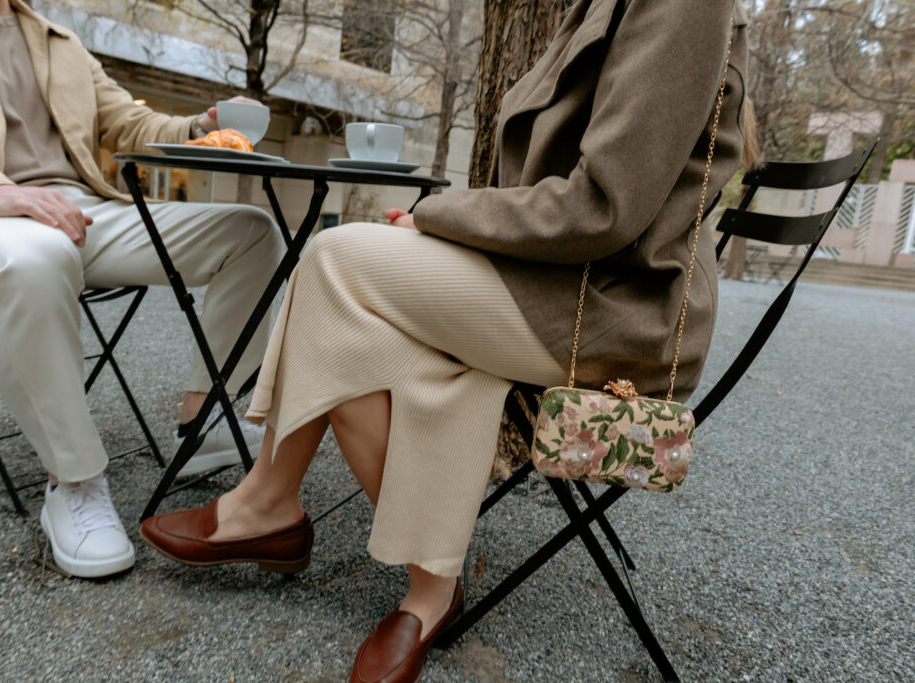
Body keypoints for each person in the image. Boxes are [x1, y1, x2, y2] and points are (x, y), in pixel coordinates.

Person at [141, 0, 751, 679]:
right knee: (351, 335)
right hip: (557, 278)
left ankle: (270, 503)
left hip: (614, 307)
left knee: (334, 262)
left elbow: (603, 205)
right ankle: (429, 587)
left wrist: (440, 216)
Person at [0, 0, 282, 578]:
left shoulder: (57, 40)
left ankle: (201, 422)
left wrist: (201, 125)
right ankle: (73, 482)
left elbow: (131, 123)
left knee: (253, 232)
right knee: (34, 256)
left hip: (79, 212)